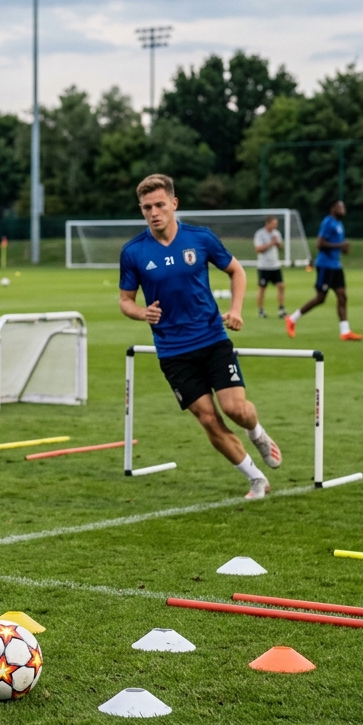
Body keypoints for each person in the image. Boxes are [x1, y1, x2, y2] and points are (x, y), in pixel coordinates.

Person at [119, 173, 282, 500]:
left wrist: (236, 310)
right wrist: (141, 313)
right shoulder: (133, 252)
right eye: (147, 207)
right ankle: (256, 479)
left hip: (212, 339)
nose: (154, 212)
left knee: (235, 409)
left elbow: (237, 270)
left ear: (174, 203)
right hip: (172, 352)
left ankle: (257, 432)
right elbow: (125, 301)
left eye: (160, 205)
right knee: (208, 419)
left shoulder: (200, 238)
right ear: (141, 210)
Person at [286, 200, 362, 341]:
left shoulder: (339, 224)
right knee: (320, 298)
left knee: (342, 297)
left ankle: (345, 331)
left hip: (336, 265)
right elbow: (320, 243)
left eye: (343, 207)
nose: (343, 209)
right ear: (332, 208)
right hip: (326, 265)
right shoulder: (328, 222)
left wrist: (343, 249)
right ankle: (292, 318)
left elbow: (336, 245)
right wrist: (340, 245)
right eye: (340, 207)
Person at [253, 216, 286, 319]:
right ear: (267, 223)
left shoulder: (276, 233)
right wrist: (271, 243)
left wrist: (277, 243)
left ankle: (281, 309)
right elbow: (258, 249)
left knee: (281, 286)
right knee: (262, 288)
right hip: (264, 266)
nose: (275, 226)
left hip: (275, 265)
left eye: (276, 224)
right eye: (273, 223)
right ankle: (261, 310)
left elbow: (280, 247)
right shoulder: (260, 234)